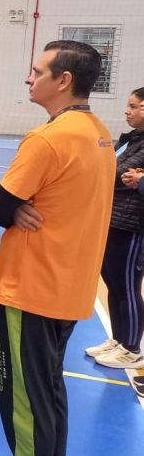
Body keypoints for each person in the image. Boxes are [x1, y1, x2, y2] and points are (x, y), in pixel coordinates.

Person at [0, 40, 115, 456]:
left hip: (31, 285)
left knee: (24, 398)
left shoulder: (48, 139)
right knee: (48, 391)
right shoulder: (99, 134)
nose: (29, 79)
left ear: (64, 80)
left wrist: (14, 210)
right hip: (69, 284)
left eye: (37, 71)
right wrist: (19, 208)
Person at [90, 87, 144, 369]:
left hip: (132, 224)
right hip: (113, 219)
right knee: (111, 279)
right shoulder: (131, 139)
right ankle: (119, 339)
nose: (127, 111)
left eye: (133, 106)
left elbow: (114, 173)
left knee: (127, 285)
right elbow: (112, 167)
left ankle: (132, 348)